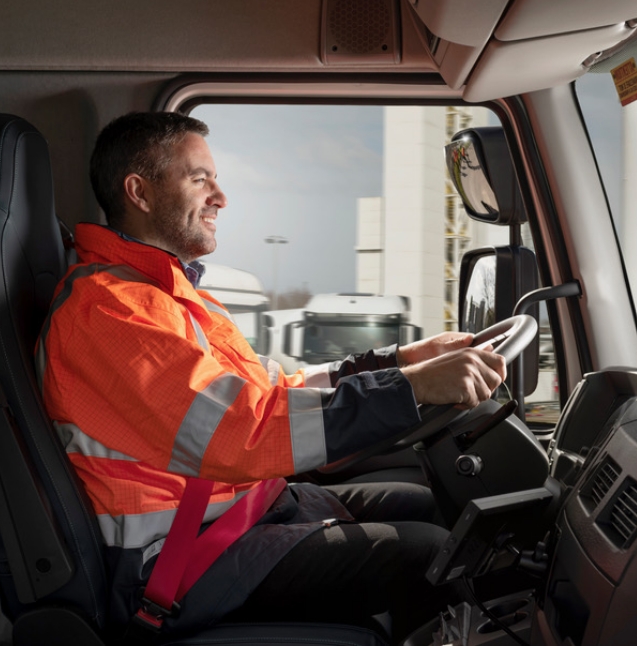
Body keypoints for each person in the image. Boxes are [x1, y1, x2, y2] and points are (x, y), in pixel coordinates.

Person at [36, 111, 506, 641]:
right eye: (200, 179)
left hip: (237, 512)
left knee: (426, 504)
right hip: (175, 556)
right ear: (139, 192)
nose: (221, 197)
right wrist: (412, 389)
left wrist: (402, 362)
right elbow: (240, 431)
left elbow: (273, 390)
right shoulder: (110, 311)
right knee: (434, 553)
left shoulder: (176, 298)